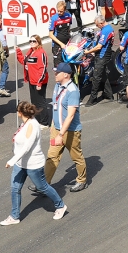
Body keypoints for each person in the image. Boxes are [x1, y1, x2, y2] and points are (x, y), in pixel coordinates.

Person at [0, 102, 68, 225]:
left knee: (43, 187)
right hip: (21, 164)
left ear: (20, 113)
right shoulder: (25, 123)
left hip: (33, 165)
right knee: (15, 188)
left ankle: (60, 206)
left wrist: (12, 160)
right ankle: (14, 216)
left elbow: (26, 147)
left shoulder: (33, 126)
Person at [42, 63, 87, 192]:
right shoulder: (57, 86)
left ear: (66, 75)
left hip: (70, 131)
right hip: (56, 129)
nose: (55, 74)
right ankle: (44, 184)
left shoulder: (73, 91)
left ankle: (82, 180)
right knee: (52, 156)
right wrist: (52, 124)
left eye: (57, 72)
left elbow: (71, 115)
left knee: (76, 156)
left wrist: (61, 134)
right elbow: (56, 106)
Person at [83, 14, 117, 105]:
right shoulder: (107, 28)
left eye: (97, 25)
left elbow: (99, 46)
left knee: (96, 77)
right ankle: (109, 95)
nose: (97, 26)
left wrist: (88, 52)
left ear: (101, 23)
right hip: (103, 54)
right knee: (103, 75)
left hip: (102, 55)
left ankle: (93, 99)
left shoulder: (106, 30)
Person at [16, 36, 50, 125]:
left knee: (41, 103)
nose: (32, 42)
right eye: (30, 41)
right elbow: (24, 61)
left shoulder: (41, 53)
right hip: (32, 81)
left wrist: (39, 83)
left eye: (34, 41)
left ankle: (44, 122)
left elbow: (43, 69)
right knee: (34, 102)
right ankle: (37, 120)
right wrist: (18, 52)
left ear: (38, 42)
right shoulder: (30, 51)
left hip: (39, 82)